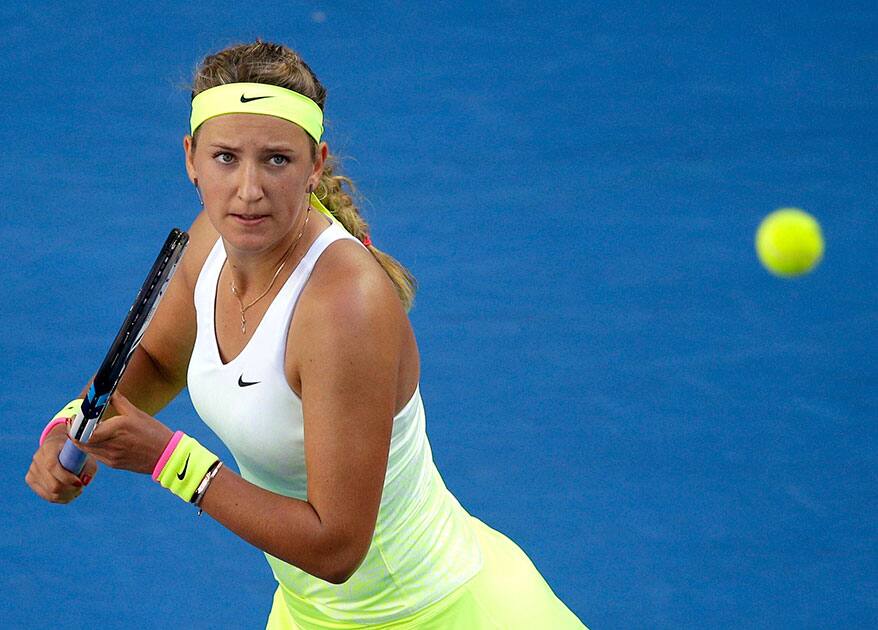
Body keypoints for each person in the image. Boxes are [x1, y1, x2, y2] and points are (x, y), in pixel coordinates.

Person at [25, 40, 587, 629]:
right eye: (224, 158)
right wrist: (69, 427)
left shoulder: (344, 306)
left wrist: (168, 459)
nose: (247, 190)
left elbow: (337, 547)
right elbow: (162, 363)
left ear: (315, 163)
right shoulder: (210, 243)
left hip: (445, 614)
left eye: (276, 160)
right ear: (190, 158)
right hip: (309, 614)